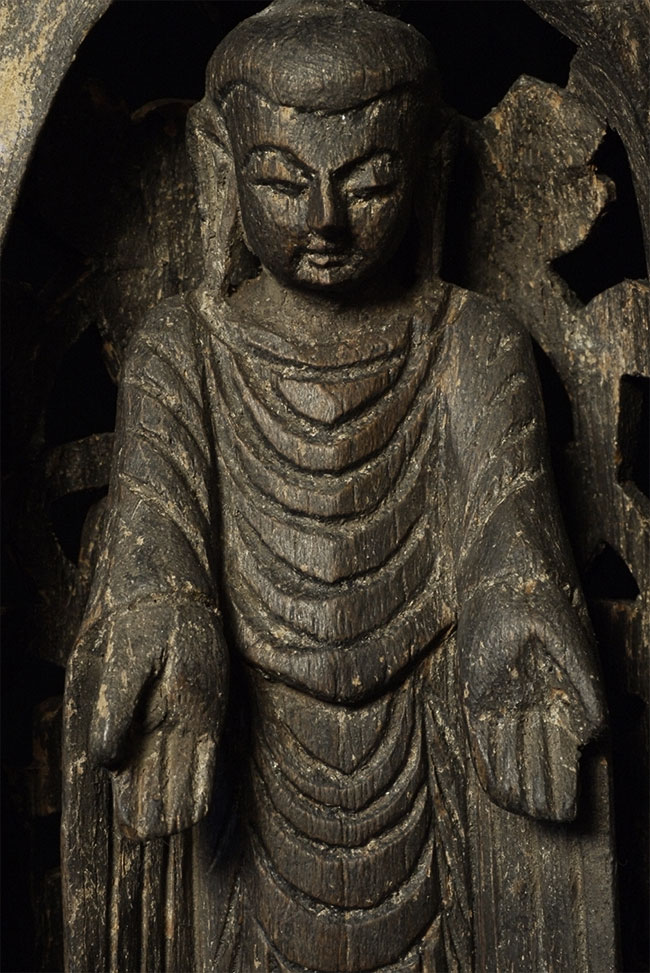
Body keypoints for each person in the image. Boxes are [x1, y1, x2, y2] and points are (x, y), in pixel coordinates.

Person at [64, 2, 604, 969]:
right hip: (242, 784)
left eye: (369, 180)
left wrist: (516, 631)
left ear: (429, 166)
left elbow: (508, 541)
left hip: (432, 766)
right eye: (282, 179)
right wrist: (169, 629)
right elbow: (153, 544)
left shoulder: (473, 345)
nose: (324, 217)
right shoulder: (180, 352)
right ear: (221, 165)